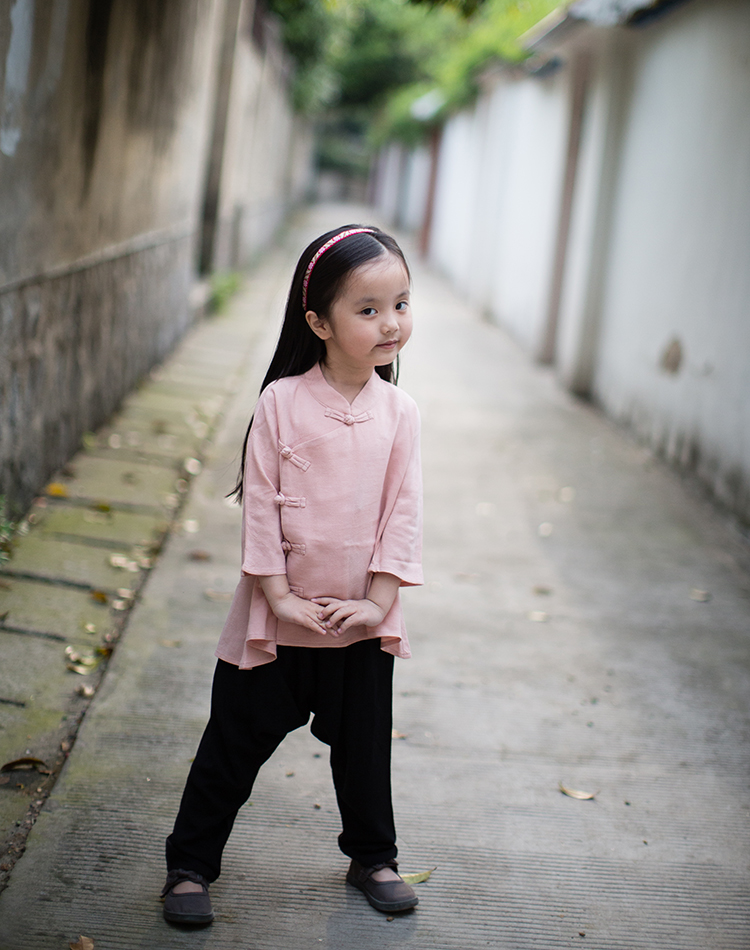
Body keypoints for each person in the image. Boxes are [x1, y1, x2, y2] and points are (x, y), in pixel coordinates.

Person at [161, 225, 423, 926]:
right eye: (368, 309)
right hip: (275, 625)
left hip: (358, 624)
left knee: (364, 754)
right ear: (319, 322)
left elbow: (403, 513)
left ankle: (374, 857)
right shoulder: (280, 401)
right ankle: (190, 865)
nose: (391, 323)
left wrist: (379, 603)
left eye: (400, 304)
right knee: (230, 746)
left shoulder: (400, 413)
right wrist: (278, 596)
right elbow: (261, 506)